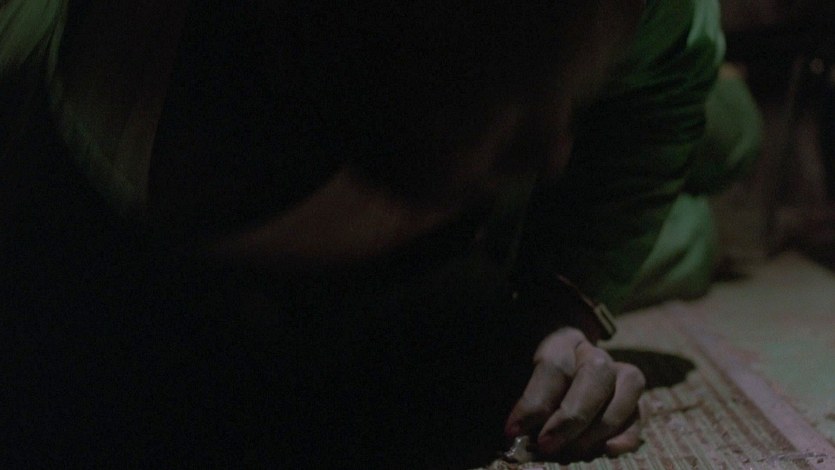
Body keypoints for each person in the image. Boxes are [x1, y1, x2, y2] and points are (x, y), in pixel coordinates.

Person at [0, 0, 725, 467]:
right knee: (690, 236)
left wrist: (562, 305)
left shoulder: (623, 22)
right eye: (515, 133)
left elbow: (676, 58)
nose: (553, 153)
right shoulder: (94, 137)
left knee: (722, 137)